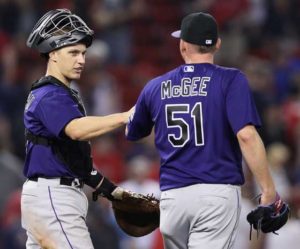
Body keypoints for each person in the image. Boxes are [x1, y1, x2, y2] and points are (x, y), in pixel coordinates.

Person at [126, 12, 278, 249]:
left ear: (183, 45)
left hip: (172, 199)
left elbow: (133, 131)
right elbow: (246, 135)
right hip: (215, 194)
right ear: (217, 44)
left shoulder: (155, 86)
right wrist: (268, 190)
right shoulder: (231, 80)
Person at [21, 9, 133, 249]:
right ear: (52, 54)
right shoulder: (50, 95)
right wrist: (125, 116)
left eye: (83, 53)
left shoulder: (58, 94)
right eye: (73, 52)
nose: (81, 60)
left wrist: (112, 192)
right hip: (54, 197)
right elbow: (77, 130)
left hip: (50, 195)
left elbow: (76, 163)